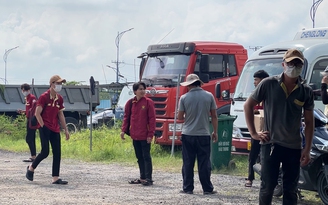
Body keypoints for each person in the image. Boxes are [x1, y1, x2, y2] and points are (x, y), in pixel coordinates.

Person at [244, 48, 314, 205]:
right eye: (291, 63)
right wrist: (254, 133)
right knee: (267, 187)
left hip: (294, 147)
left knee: (290, 190)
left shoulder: (305, 91)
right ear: (283, 64)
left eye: (298, 64)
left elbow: (309, 122)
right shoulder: (268, 84)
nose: (294, 66)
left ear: (302, 67)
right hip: (271, 144)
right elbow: (248, 105)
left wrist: (307, 149)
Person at [177, 74, 218, 195]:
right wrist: (215, 132)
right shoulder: (209, 96)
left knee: (188, 162)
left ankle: (188, 188)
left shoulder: (184, 98)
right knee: (204, 162)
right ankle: (207, 188)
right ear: (199, 83)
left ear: (189, 85)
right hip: (204, 134)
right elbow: (214, 116)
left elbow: (180, 117)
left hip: (188, 134)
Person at [25, 75, 70, 185]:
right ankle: (31, 168)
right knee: (45, 152)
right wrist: (43, 126)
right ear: (52, 84)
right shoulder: (44, 97)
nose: (59, 85)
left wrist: (66, 129)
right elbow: (37, 113)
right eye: (58, 83)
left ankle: (55, 177)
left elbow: (61, 114)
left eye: (61, 84)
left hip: (55, 128)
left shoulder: (59, 98)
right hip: (44, 126)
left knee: (57, 153)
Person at [120, 81, 156, 186]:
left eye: (143, 89)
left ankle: (148, 178)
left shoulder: (148, 102)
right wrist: (123, 130)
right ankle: (142, 177)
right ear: (135, 91)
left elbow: (152, 119)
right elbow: (126, 118)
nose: (142, 91)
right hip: (135, 135)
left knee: (146, 157)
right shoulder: (130, 103)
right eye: (140, 89)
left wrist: (151, 134)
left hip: (145, 135)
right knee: (139, 157)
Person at [245, 70, 269, 187]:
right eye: (254, 79)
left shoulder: (271, 93)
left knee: (266, 156)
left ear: (263, 80)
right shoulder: (254, 94)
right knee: (253, 154)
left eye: (256, 79)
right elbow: (249, 107)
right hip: (256, 129)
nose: (254, 82)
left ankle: (265, 178)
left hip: (268, 130)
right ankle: (250, 177)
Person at [17, 83, 38, 162]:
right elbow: (29, 109)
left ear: (28, 90)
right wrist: (23, 111)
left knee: (29, 138)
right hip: (28, 118)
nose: (24, 92)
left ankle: (33, 156)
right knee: (31, 138)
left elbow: (34, 108)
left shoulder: (32, 98)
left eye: (25, 90)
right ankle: (33, 156)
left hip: (32, 119)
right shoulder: (27, 98)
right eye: (23, 90)